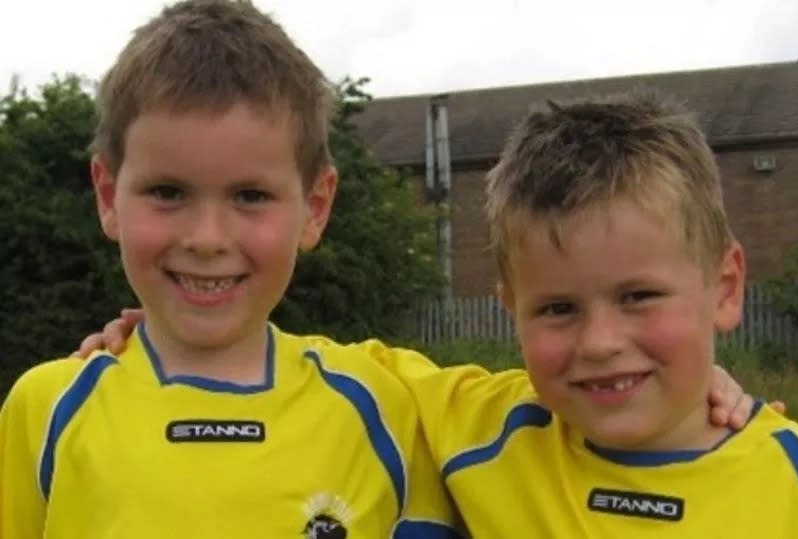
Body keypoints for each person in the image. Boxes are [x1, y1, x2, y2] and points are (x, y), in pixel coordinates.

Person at [76, 91, 798, 536]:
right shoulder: (474, 424)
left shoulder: (794, 473)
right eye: (557, 308)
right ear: (509, 308)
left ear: (725, 286)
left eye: (638, 297)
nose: (602, 343)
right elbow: (289, 365)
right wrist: (161, 335)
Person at [0, 2, 459, 538]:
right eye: (167, 192)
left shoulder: (384, 405)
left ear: (314, 206)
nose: (208, 240)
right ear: (108, 196)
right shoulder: (45, 409)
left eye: (250, 195)